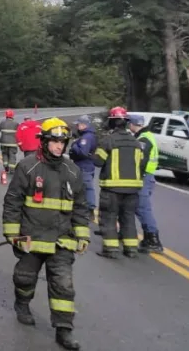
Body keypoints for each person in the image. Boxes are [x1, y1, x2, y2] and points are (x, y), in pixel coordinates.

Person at [2, 117, 90, 351]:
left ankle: (64, 329)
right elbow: (13, 201)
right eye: (54, 141)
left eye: (63, 142)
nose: (59, 146)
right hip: (31, 237)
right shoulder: (28, 166)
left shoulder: (72, 170)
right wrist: (12, 233)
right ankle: (22, 304)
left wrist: (82, 235)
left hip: (62, 240)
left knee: (63, 286)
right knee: (24, 277)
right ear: (44, 142)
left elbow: (81, 205)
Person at [92, 106, 144, 258]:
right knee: (128, 218)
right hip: (133, 190)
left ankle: (111, 249)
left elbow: (98, 162)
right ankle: (131, 249)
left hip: (112, 189)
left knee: (109, 218)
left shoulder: (108, 141)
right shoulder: (136, 143)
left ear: (112, 122)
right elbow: (141, 164)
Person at [128, 114, 163, 253]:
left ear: (132, 124)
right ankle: (149, 238)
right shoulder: (147, 135)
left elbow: (141, 161)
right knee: (139, 207)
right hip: (147, 176)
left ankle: (153, 239)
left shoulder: (143, 139)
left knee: (143, 208)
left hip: (144, 177)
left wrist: (136, 176)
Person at [68, 115, 99, 221]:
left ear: (84, 125)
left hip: (84, 166)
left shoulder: (86, 137)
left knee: (87, 188)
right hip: (85, 165)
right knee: (82, 188)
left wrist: (74, 145)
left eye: (78, 124)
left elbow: (83, 152)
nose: (77, 126)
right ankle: (84, 208)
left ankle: (89, 210)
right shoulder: (88, 136)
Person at [0, 109, 20, 174]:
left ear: (6, 115)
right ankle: (12, 169)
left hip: (4, 142)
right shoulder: (16, 124)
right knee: (12, 155)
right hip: (13, 143)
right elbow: (20, 132)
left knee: (4, 154)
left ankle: (6, 166)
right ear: (12, 116)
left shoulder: (2, 123)